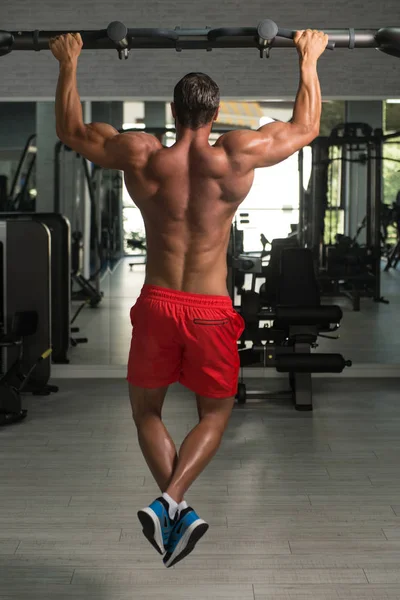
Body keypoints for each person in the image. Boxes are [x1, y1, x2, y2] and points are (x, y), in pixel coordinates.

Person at [50, 28, 328, 568]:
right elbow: (307, 126)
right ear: (216, 111)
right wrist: (308, 58)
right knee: (215, 414)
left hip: (156, 304)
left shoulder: (142, 156)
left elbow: (71, 130)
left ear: (172, 112)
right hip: (210, 312)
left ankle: (171, 507)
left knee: (146, 412)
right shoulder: (237, 155)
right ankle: (172, 501)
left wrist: (69, 61)